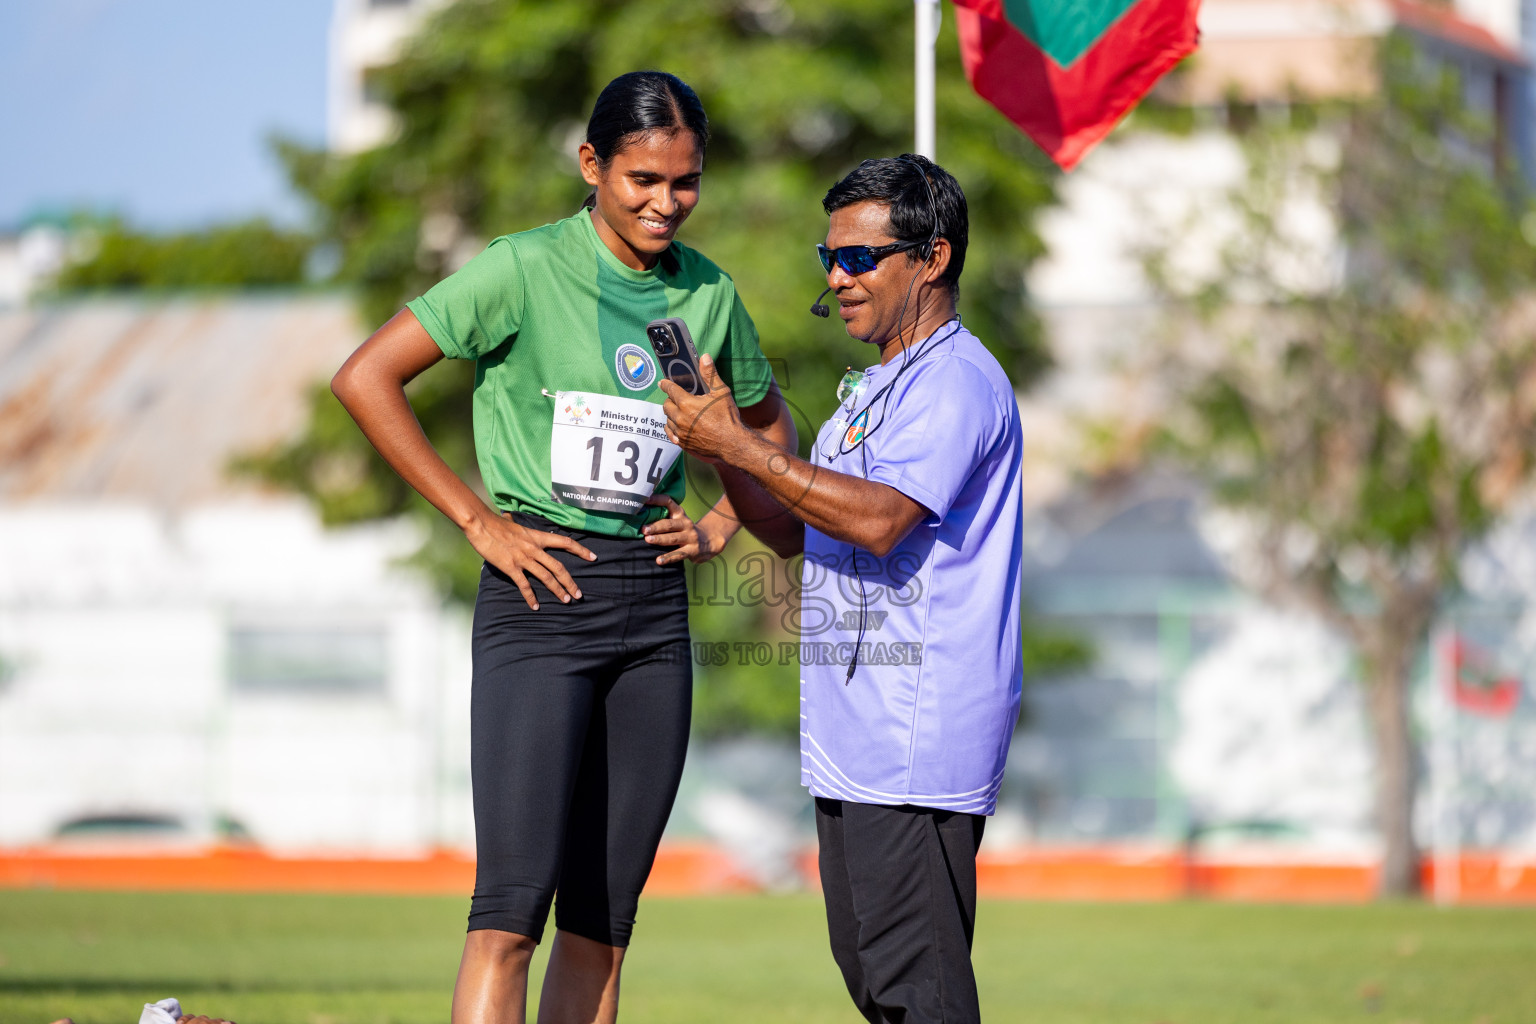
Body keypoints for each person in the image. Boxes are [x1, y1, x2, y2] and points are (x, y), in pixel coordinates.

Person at [330, 71, 794, 1024]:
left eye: (687, 182)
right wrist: (477, 521)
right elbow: (366, 377)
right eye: (643, 180)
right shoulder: (521, 268)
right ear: (593, 166)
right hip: (539, 602)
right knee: (509, 918)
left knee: (603, 929)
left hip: (655, 617)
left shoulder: (709, 293)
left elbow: (770, 428)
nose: (666, 203)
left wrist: (715, 523)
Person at [660, 154, 1023, 1024]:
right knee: (876, 981)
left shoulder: (955, 380)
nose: (837, 276)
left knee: (919, 993)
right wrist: (721, 450)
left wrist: (748, 449)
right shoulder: (871, 388)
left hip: (915, 742)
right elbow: (795, 529)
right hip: (855, 741)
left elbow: (880, 520)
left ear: (931, 260)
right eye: (828, 256)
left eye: (860, 258)